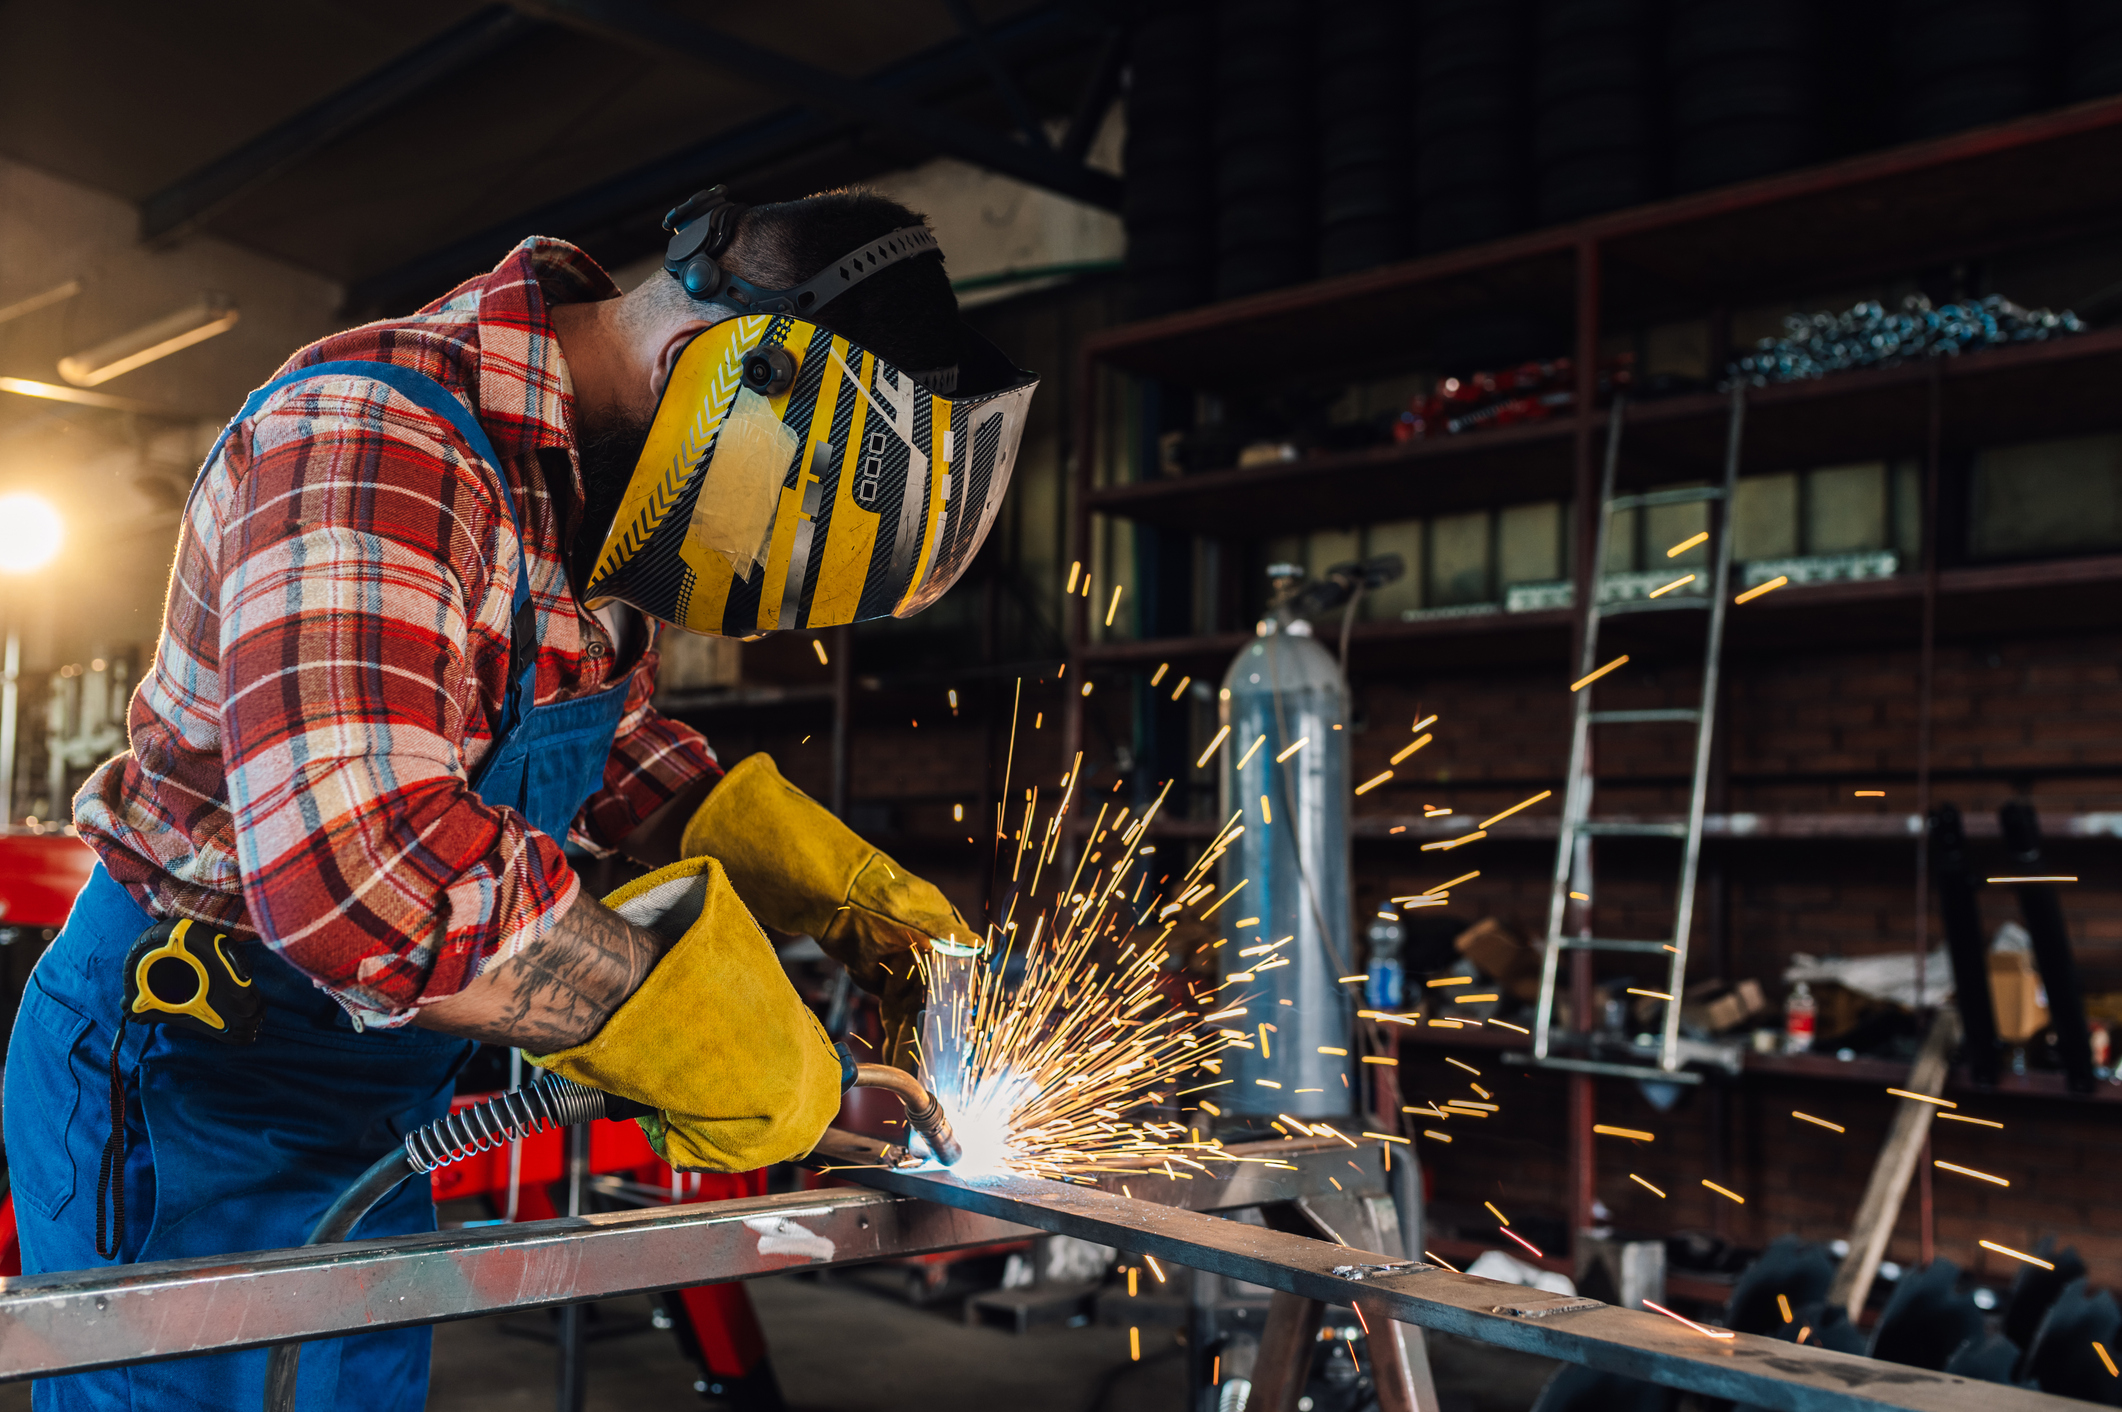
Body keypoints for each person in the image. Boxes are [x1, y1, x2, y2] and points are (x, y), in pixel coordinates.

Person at [4, 185, 1036, 1410]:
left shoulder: (589, 494)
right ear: (712, 370)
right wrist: (691, 1022)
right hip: (196, 1084)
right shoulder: (378, 437)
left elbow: (608, 752)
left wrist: (828, 883)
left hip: (367, 1093)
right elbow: (363, 881)